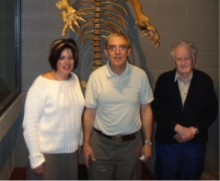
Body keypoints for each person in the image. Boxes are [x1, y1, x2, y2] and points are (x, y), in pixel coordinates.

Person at [83, 32, 154, 181]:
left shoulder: (140, 76)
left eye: (122, 47)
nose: (117, 52)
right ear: (106, 52)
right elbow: (89, 113)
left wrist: (148, 142)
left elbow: (146, 110)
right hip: (101, 146)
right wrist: (87, 144)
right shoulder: (96, 77)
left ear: (129, 51)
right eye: (112, 48)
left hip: (131, 147)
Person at [152, 40, 218, 181]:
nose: (183, 62)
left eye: (186, 58)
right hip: (168, 144)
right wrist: (177, 129)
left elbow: (211, 112)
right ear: (174, 61)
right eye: (179, 59)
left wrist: (193, 131)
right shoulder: (163, 80)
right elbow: (157, 111)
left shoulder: (205, 81)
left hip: (195, 144)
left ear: (193, 59)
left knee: (192, 177)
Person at [23, 39, 85, 181]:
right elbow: (30, 124)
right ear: (54, 59)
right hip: (47, 155)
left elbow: (75, 112)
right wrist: (35, 157)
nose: (67, 62)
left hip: (70, 153)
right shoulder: (41, 85)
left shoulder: (74, 79)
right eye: (61, 58)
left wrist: (79, 138)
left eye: (70, 57)